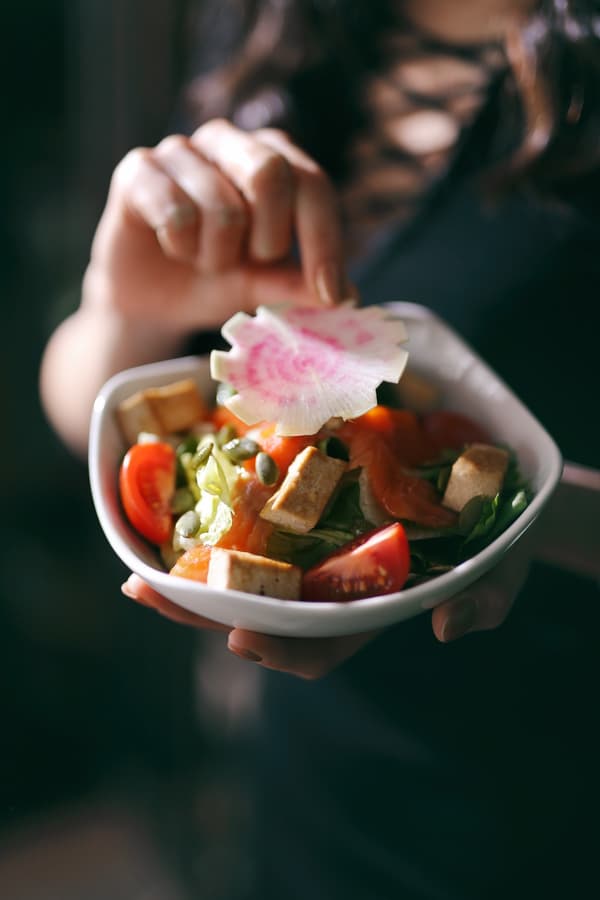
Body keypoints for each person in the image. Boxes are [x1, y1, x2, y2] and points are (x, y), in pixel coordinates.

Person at [41, 1, 600, 897]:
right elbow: (86, 412)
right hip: (312, 792)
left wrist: (546, 513)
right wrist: (125, 310)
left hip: (557, 797)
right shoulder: (282, 24)